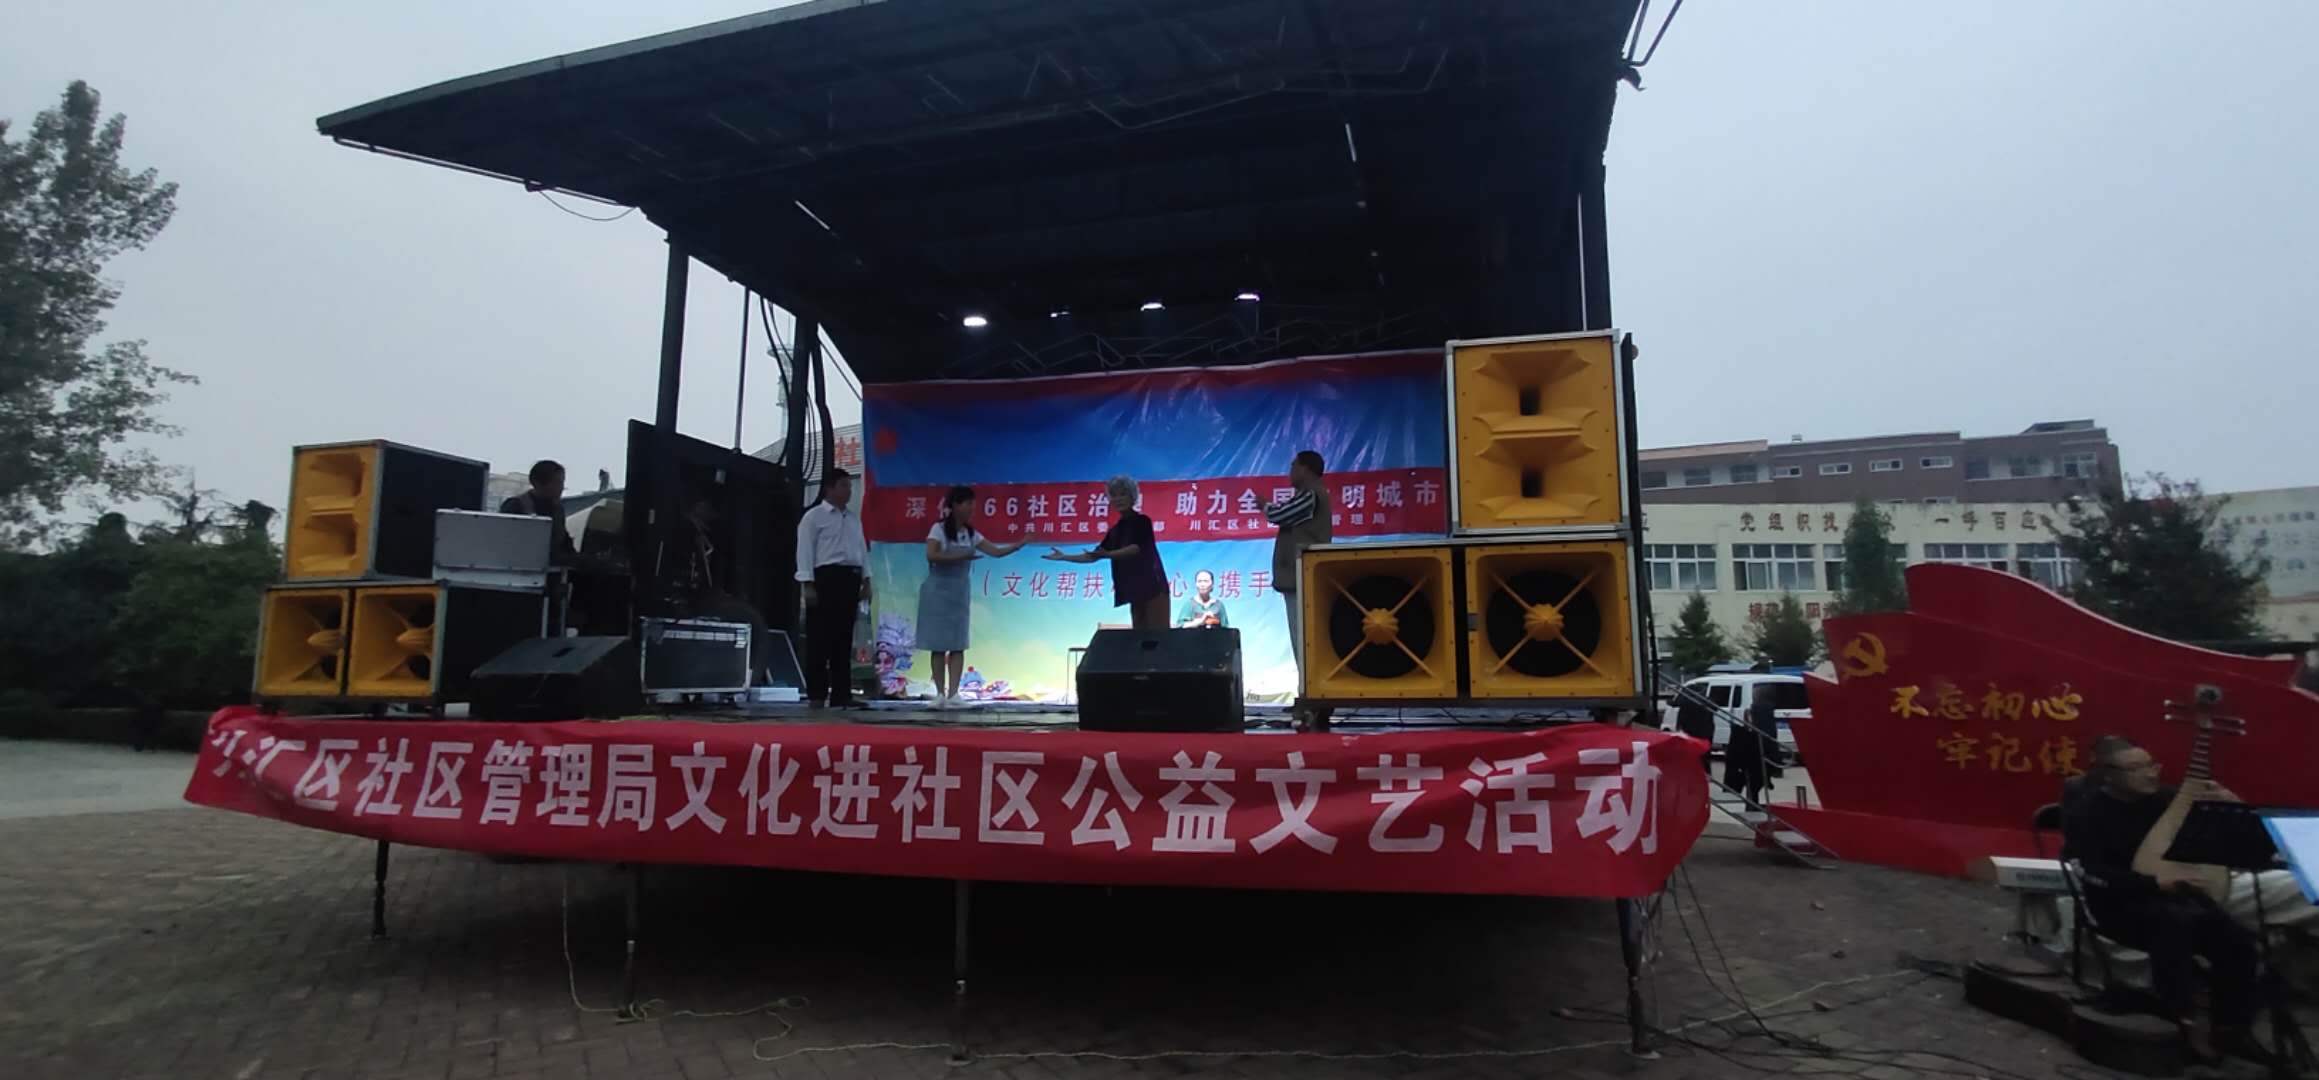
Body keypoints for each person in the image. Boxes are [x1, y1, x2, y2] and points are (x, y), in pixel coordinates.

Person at [2061, 735, 2269, 1066]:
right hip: (2120, 905)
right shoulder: (2087, 813)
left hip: (2181, 898)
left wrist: (2232, 805)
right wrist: (2153, 882)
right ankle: (2184, 1021)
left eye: (2152, 765)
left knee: (2239, 945)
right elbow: (2091, 872)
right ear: (2108, 775)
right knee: (2173, 927)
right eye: (2136, 768)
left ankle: (2232, 1028)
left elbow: (2232, 836)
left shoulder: (2167, 800)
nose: (2150, 774)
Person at [917, 486, 1028, 710]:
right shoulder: (939, 529)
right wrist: (961, 555)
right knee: (938, 645)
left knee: (957, 644)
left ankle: (954, 694)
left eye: (973, 505)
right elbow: (932, 554)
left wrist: (1019, 544)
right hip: (937, 591)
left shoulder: (970, 533)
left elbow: (995, 552)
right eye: (968, 504)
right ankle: (939, 694)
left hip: (959, 592)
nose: (972, 509)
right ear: (955, 505)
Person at [1045, 475, 1168, 632]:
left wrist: (1108, 555)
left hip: (1154, 588)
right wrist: (1064, 557)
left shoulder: (1142, 521)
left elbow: (1136, 549)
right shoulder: (1116, 530)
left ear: (1132, 497)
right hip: (1135, 590)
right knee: (1140, 638)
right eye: (1114, 495)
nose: (1118, 499)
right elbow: (1093, 556)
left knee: (1158, 637)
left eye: (1123, 494)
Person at [1264, 451, 1333, 724]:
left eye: (1293, 465)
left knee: (1304, 640)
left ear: (1306, 468)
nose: (1290, 470)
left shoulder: (1311, 494)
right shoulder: (1308, 494)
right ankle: (1310, 695)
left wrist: (1263, 505)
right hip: (1297, 577)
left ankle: (1312, 698)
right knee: (1302, 640)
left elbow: (1280, 515)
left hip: (1303, 577)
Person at [795, 469, 871, 709]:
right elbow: (805, 551)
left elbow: (861, 550)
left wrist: (867, 580)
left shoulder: (853, 519)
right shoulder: (814, 517)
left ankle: (841, 694)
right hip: (825, 578)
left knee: (843, 638)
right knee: (819, 638)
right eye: (844, 485)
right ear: (829, 488)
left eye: (850, 486)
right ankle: (817, 694)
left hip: (850, 577)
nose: (849, 491)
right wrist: (807, 584)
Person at [500, 459, 579, 566]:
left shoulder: (558, 509)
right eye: (557, 483)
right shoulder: (515, 506)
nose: (561, 488)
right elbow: (504, 542)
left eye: (562, 482)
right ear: (538, 483)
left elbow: (564, 542)